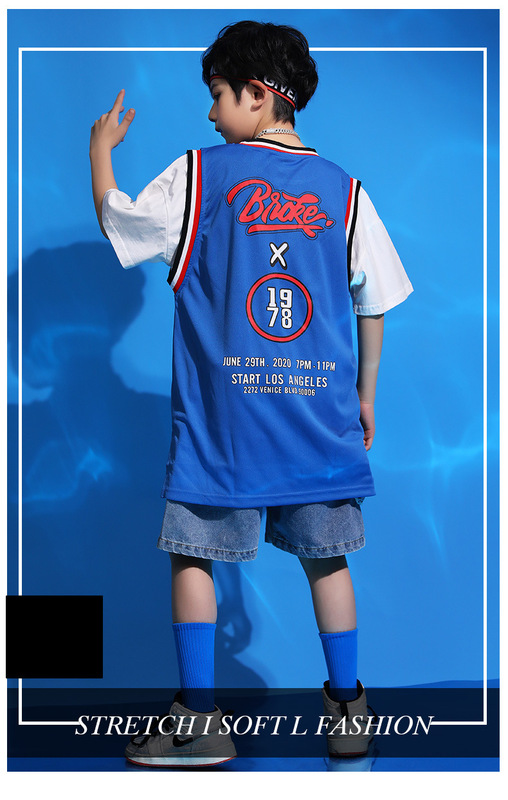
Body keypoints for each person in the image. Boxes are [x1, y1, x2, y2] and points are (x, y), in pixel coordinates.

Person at [89, 20, 413, 768]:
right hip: (319, 422)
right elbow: (375, 300)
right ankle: (348, 713)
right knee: (328, 563)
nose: (210, 113)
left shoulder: (201, 175)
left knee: (191, 556)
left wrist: (101, 152)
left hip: (221, 425)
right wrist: (364, 397)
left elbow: (122, 225)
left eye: (218, 95)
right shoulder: (346, 190)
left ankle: (199, 722)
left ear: (259, 95)